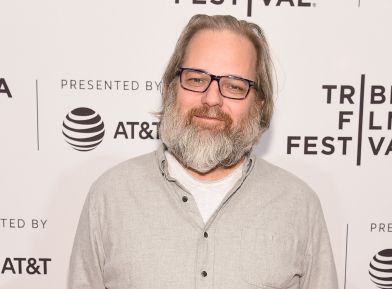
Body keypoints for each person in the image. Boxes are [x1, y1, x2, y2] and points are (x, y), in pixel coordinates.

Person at [68, 14, 338, 289]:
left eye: (234, 86)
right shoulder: (110, 197)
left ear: (259, 103)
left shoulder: (299, 205)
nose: (212, 98)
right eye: (197, 80)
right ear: (172, 88)